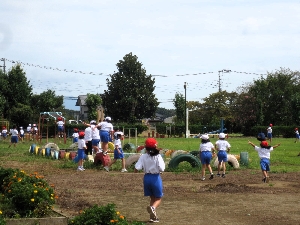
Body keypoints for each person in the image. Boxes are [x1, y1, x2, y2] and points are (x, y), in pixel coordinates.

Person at [134, 138, 165, 223]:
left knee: (152, 197)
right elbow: (162, 168)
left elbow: (137, 167)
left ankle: (153, 217)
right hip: (155, 178)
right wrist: (160, 171)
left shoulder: (143, 156)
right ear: (155, 146)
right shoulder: (158, 156)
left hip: (146, 178)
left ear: (145, 147)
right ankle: (153, 208)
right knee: (158, 198)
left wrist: (135, 172)